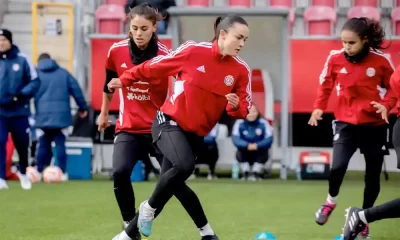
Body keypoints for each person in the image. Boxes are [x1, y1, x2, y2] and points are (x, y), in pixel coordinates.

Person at [108, 14, 252, 240]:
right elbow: (153, 67)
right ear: (223, 35)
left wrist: (235, 107)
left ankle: (131, 235)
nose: (242, 44)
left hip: (196, 135)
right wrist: (126, 79)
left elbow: (245, 108)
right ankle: (148, 210)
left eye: (245, 40)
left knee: (173, 184)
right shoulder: (193, 52)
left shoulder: (241, 70)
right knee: (183, 167)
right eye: (239, 38)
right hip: (168, 122)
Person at [308, 17, 396, 239]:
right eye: (343, 42)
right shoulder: (335, 58)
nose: (345, 47)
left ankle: (363, 218)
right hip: (345, 123)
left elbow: (395, 90)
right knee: (337, 166)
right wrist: (319, 107)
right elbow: (325, 84)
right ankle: (330, 201)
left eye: (351, 43)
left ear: (365, 40)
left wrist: (385, 105)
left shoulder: (382, 62)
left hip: (375, 125)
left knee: (372, 176)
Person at [96, 4, 179, 238]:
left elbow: (178, 89)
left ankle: (148, 216)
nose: (139, 33)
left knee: (173, 181)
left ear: (155, 27)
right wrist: (104, 113)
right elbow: (108, 85)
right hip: (128, 128)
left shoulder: (166, 55)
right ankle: (128, 224)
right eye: (134, 28)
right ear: (129, 28)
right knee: (120, 172)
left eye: (144, 28)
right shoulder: (116, 51)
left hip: (159, 129)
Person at [34, 53, 88, 181]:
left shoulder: (35, 73)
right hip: (61, 116)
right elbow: (76, 89)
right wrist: (83, 107)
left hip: (42, 115)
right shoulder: (63, 73)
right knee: (60, 143)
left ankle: (40, 170)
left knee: (43, 143)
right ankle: (61, 172)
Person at [0, 28, 40, 190]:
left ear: (10, 41)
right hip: (1, 112)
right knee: (0, 142)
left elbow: (35, 82)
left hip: (19, 111)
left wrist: (19, 95)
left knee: (22, 145)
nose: (1, 44)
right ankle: (1, 177)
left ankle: (23, 173)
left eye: (3, 40)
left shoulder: (23, 59)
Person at [232, 104, 273, 181]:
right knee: (239, 151)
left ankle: (255, 172)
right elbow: (235, 138)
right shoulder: (239, 122)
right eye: (249, 111)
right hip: (245, 151)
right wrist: (247, 145)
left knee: (264, 151)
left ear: (257, 113)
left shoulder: (264, 123)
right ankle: (245, 172)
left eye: (253, 111)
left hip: (259, 151)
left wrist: (257, 145)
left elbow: (269, 139)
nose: (251, 114)